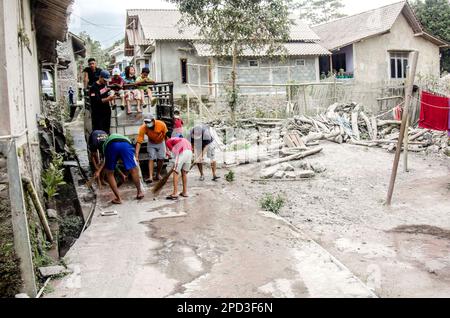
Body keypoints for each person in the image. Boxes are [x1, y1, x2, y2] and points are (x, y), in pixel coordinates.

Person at [90, 131, 144, 204]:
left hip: (111, 145)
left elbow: (107, 163)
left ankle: (118, 199)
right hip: (126, 144)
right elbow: (122, 165)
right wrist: (123, 174)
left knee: (109, 173)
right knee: (134, 169)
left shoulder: (104, 146)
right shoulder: (109, 136)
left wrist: (98, 171)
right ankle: (139, 192)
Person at [135, 114, 168, 183]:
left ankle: (158, 174)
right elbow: (139, 142)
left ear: (153, 120)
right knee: (151, 157)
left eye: (148, 122)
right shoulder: (143, 128)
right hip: (151, 143)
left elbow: (166, 137)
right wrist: (136, 155)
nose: (147, 124)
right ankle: (150, 177)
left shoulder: (161, 124)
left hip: (161, 142)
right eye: (145, 122)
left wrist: (168, 149)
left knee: (161, 158)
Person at [89, 70, 115, 134]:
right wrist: (108, 99)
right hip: (98, 113)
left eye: (107, 81)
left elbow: (104, 92)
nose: (106, 82)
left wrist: (110, 94)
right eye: (104, 80)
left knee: (106, 131)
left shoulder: (104, 85)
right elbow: (97, 101)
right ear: (100, 77)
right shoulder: (93, 87)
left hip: (106, 112)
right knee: (99, 132)